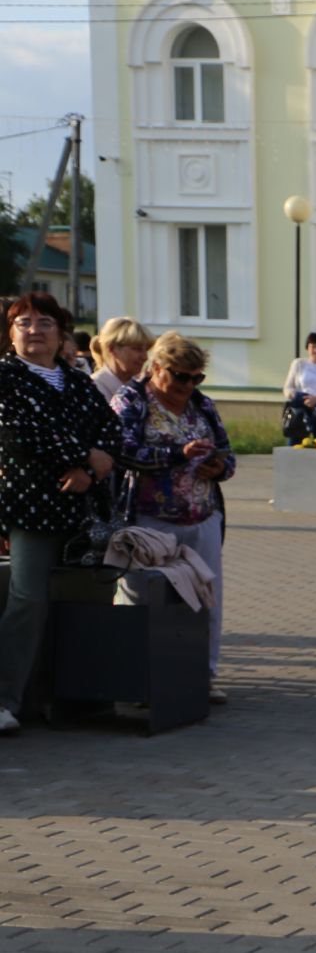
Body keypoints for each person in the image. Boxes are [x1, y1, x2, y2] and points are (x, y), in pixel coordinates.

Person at [0, 292, 118, 734]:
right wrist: (87, 458)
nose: (35, 330)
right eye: (24, 322)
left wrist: (93, 463)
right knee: (27, 600)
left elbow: (111, 428)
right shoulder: (6, 378)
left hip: (81, 510)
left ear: (61, 331)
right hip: (30, 504)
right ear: (10, 333)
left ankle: (69, 699)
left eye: (44, 322)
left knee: (79, 602)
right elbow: (18, 433)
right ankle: (6, 699)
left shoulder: (76, 380)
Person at [110, 331, 236, 702]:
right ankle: (137, 682)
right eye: (180, 376)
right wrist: (179, 453)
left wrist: (218, 466)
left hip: (202, 516)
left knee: (205, 598)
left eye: (196, 377)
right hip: (148, 521)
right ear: (156, 367)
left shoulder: (203, 405)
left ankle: (201, 676)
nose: (188, 384)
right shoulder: (131, 400)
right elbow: (123, 451)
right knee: (141, 602)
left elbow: (228, 454)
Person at [91, 317, 154, 400]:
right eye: (137, 348)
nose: (145, 357)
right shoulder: (94, 388)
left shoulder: (145, 387)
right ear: (112, 349)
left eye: (147, 349)